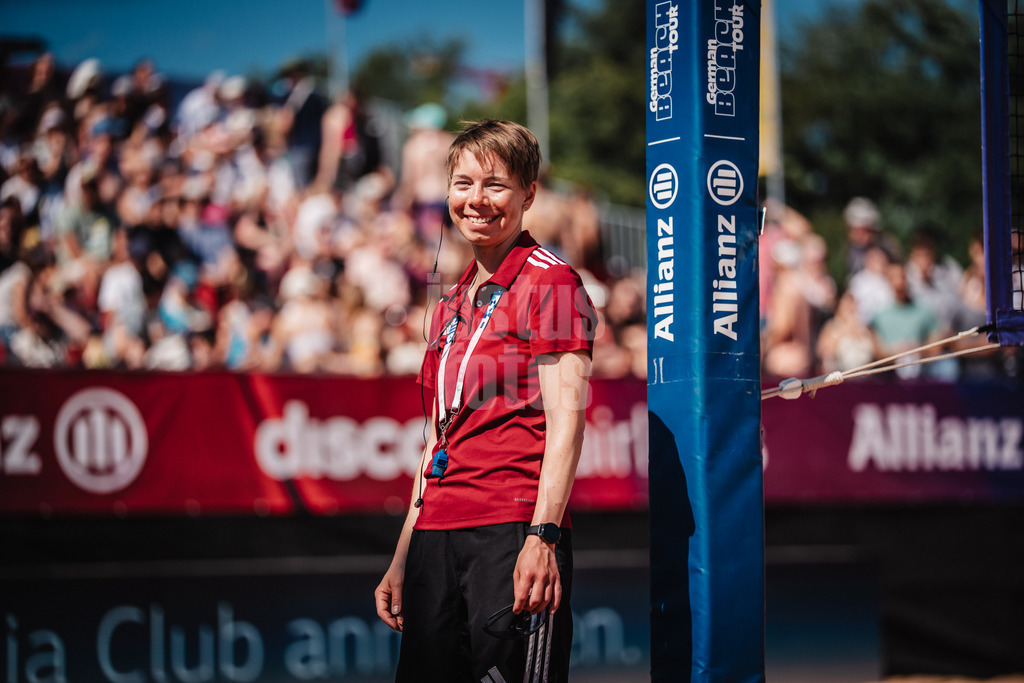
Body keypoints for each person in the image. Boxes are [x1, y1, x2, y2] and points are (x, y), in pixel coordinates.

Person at [374, 119, 597, 682]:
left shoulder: (553, 283)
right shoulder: (448, 304)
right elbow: (436, 440)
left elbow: (567, 423)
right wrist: (405, 556)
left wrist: (542, 536)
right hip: (434, 540)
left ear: (529, 194)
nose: (477, 200)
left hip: (511, 531)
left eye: (495, 185)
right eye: (463, 183)